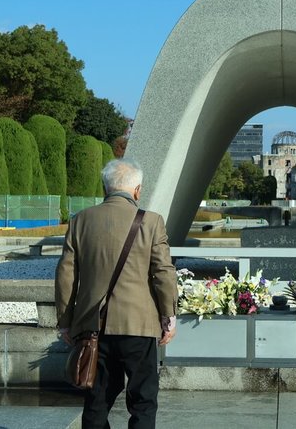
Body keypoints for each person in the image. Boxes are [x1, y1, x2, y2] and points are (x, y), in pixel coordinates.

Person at [55, 158, 178, 429]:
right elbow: (163, 273)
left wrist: (66, 321)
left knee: (96, 398)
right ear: (137, 191)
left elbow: (65, 275)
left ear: (105, 188)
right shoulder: (151, 221)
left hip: (93, 326)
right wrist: (168, 315)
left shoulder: (80, 221)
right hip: (139, 326)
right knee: (143, 401)